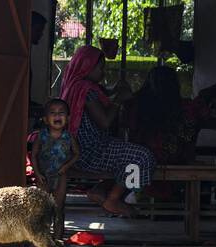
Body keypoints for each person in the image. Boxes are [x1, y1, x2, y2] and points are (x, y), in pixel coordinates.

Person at [59, 44, 156, 217]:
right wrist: (119, 100)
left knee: (128, 160)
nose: (103, 72)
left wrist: (114, 92)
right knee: (141, 157)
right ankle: (114, 198)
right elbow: (104, 122)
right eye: (101, 68)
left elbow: (103, 95)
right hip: (91, 152)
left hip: (77, 152)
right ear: (87, 66)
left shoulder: (74, 85)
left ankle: (99, 190)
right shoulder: (86, 91)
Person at [28, 98, 78, 241]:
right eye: (53, 113)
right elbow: (34, 155)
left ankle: (57, 241)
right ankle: (41, 240)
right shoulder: (41, 136)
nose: (57, 116)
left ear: (67, 118)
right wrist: (37, 173)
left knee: (58, 208)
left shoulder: (68, 137)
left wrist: (66, 166)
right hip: (43, 176)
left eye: (61, 113)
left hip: (60, 176)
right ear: (45, 119)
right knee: (42, 209)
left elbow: (76, 154)